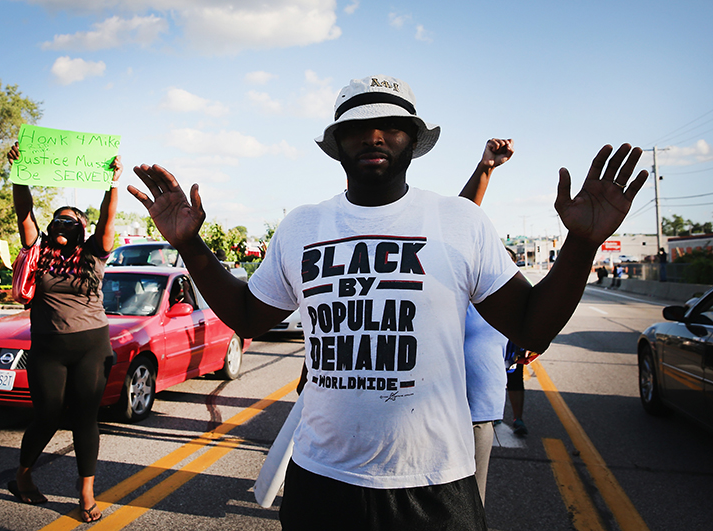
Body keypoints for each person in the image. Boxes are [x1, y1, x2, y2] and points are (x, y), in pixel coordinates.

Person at [129, 75, 647, 529]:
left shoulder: (460, 221)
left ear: (413, 141)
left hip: (435, 484)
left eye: (390, 125)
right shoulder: (302, 226)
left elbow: (532, 329)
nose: (374, 136)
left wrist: (581, 246)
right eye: (357, 127)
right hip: (321, 482)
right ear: (336, 145)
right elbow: (246, 316)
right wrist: (190, 246)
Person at [6, 142, 121, 524]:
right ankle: (22, 475)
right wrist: (20, 172)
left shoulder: (94, 253)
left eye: (72, 221)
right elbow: (24, 211)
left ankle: (86, 490)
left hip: (91, 345)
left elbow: (107, 220)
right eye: (58, 219)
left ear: (82, 230)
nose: (63, 224)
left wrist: (111, 183)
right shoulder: (36, 253)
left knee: (86, 418)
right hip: (48, 349)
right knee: (48, 415)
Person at [457, 138, 516, 504]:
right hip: (436, 408)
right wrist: (485, 168)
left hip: (479, 412)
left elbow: (529, 335)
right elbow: (460, 221)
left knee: (472, 500)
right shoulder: (456, 292)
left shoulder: (509, 305)